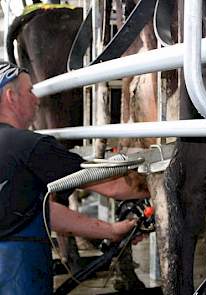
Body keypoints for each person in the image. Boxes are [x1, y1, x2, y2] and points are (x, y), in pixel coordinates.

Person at [0, 61, 150, 295]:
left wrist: (110, 230)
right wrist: (162, 184)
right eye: (30, 90)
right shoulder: (29, 146)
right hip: (17, 277)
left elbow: (37, 212)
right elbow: (113, 185)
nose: (36, 99)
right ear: (11, 96)